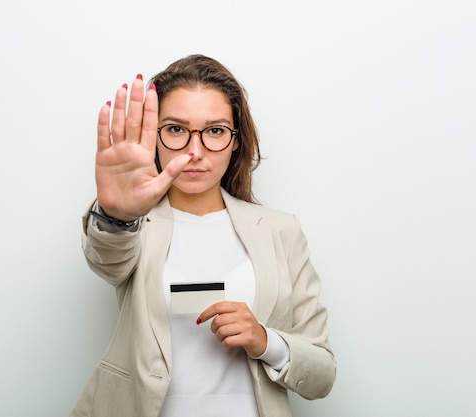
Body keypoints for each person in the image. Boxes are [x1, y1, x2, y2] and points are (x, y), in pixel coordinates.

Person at [70, 54, 336, 417]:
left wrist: (265, 341)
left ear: (235, 141)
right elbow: (107, 260)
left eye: (214, 131)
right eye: (177, 129)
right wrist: (118, 215)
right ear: (154, 137)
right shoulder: (135, 225)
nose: (195, 152)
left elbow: (322, 374)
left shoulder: (280, 231)